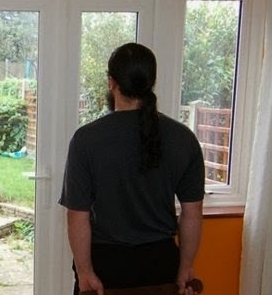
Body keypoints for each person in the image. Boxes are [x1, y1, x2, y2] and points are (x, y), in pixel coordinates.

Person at [59, 43, 204, 295]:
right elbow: (192, 213)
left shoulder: (87, 139)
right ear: (151, 83)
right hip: (161, 266)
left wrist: (84, 271)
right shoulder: (184, 138)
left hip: (107, 267)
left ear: (111, 82)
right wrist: (185, 267)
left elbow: (77, 215)